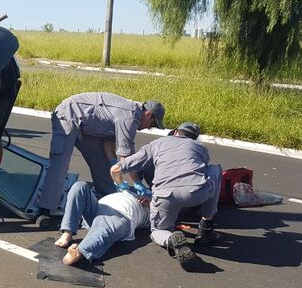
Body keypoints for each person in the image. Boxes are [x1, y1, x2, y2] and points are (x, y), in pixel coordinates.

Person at [36, 92, 165, 227]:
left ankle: (107, 198)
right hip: (69, 115)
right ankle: (45, 209)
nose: (149, 128)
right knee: (60, 162)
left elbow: (108, 143)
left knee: (101, 162)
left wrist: (113, 164)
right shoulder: (130, 117)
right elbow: (127, 159)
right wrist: (137, 183)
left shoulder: (132, 115)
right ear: (148, 114)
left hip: (88, 128)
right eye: (152, 124)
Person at [110, 122, 221, 270]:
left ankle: (170, 239)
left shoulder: (158, 143)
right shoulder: (200, 147)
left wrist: (121, 186)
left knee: (158, 231)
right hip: (196, 193)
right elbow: (202, 168)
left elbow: (116, 168)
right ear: (195, 138)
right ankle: (206, 226)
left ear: (175, 132)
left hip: (165, 196)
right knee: (215, 170)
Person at [54, 181, 150, 265]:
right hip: (99, 206)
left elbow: (160, 223)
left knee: (105, 228)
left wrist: (151, 205)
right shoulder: (130, 188)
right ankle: (68, 232)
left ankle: (80, 252)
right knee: (80, 186)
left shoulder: (156, 208)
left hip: (121, 215)